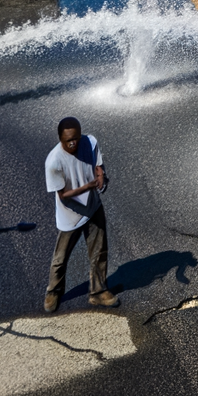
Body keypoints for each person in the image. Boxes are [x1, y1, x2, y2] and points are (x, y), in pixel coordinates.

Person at [44, 116, 117, 312]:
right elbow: (64, 196)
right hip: (71, 214)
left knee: (99, 251)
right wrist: (89, 186)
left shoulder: (89, 141)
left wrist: (100, 174)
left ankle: (98, 292)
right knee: (61, 257)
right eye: (68, 140)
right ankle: (53, 291)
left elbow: (97, 163)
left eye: (76, 137)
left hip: (93, 207)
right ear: (61, 139)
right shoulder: (54, 162)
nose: (73, 142)